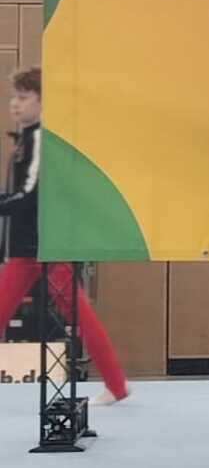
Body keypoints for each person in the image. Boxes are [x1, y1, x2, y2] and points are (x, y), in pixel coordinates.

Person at [0, 66, 131, 407]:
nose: (14, 104)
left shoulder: (42, 138)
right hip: (28, 247)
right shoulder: (26, 139)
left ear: (44, 103)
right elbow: (20, 194)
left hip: (47, 245)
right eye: (14, 97)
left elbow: (31, 195)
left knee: (81, 316)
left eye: (23, 97)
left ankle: (117, 385)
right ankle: (118, 386)